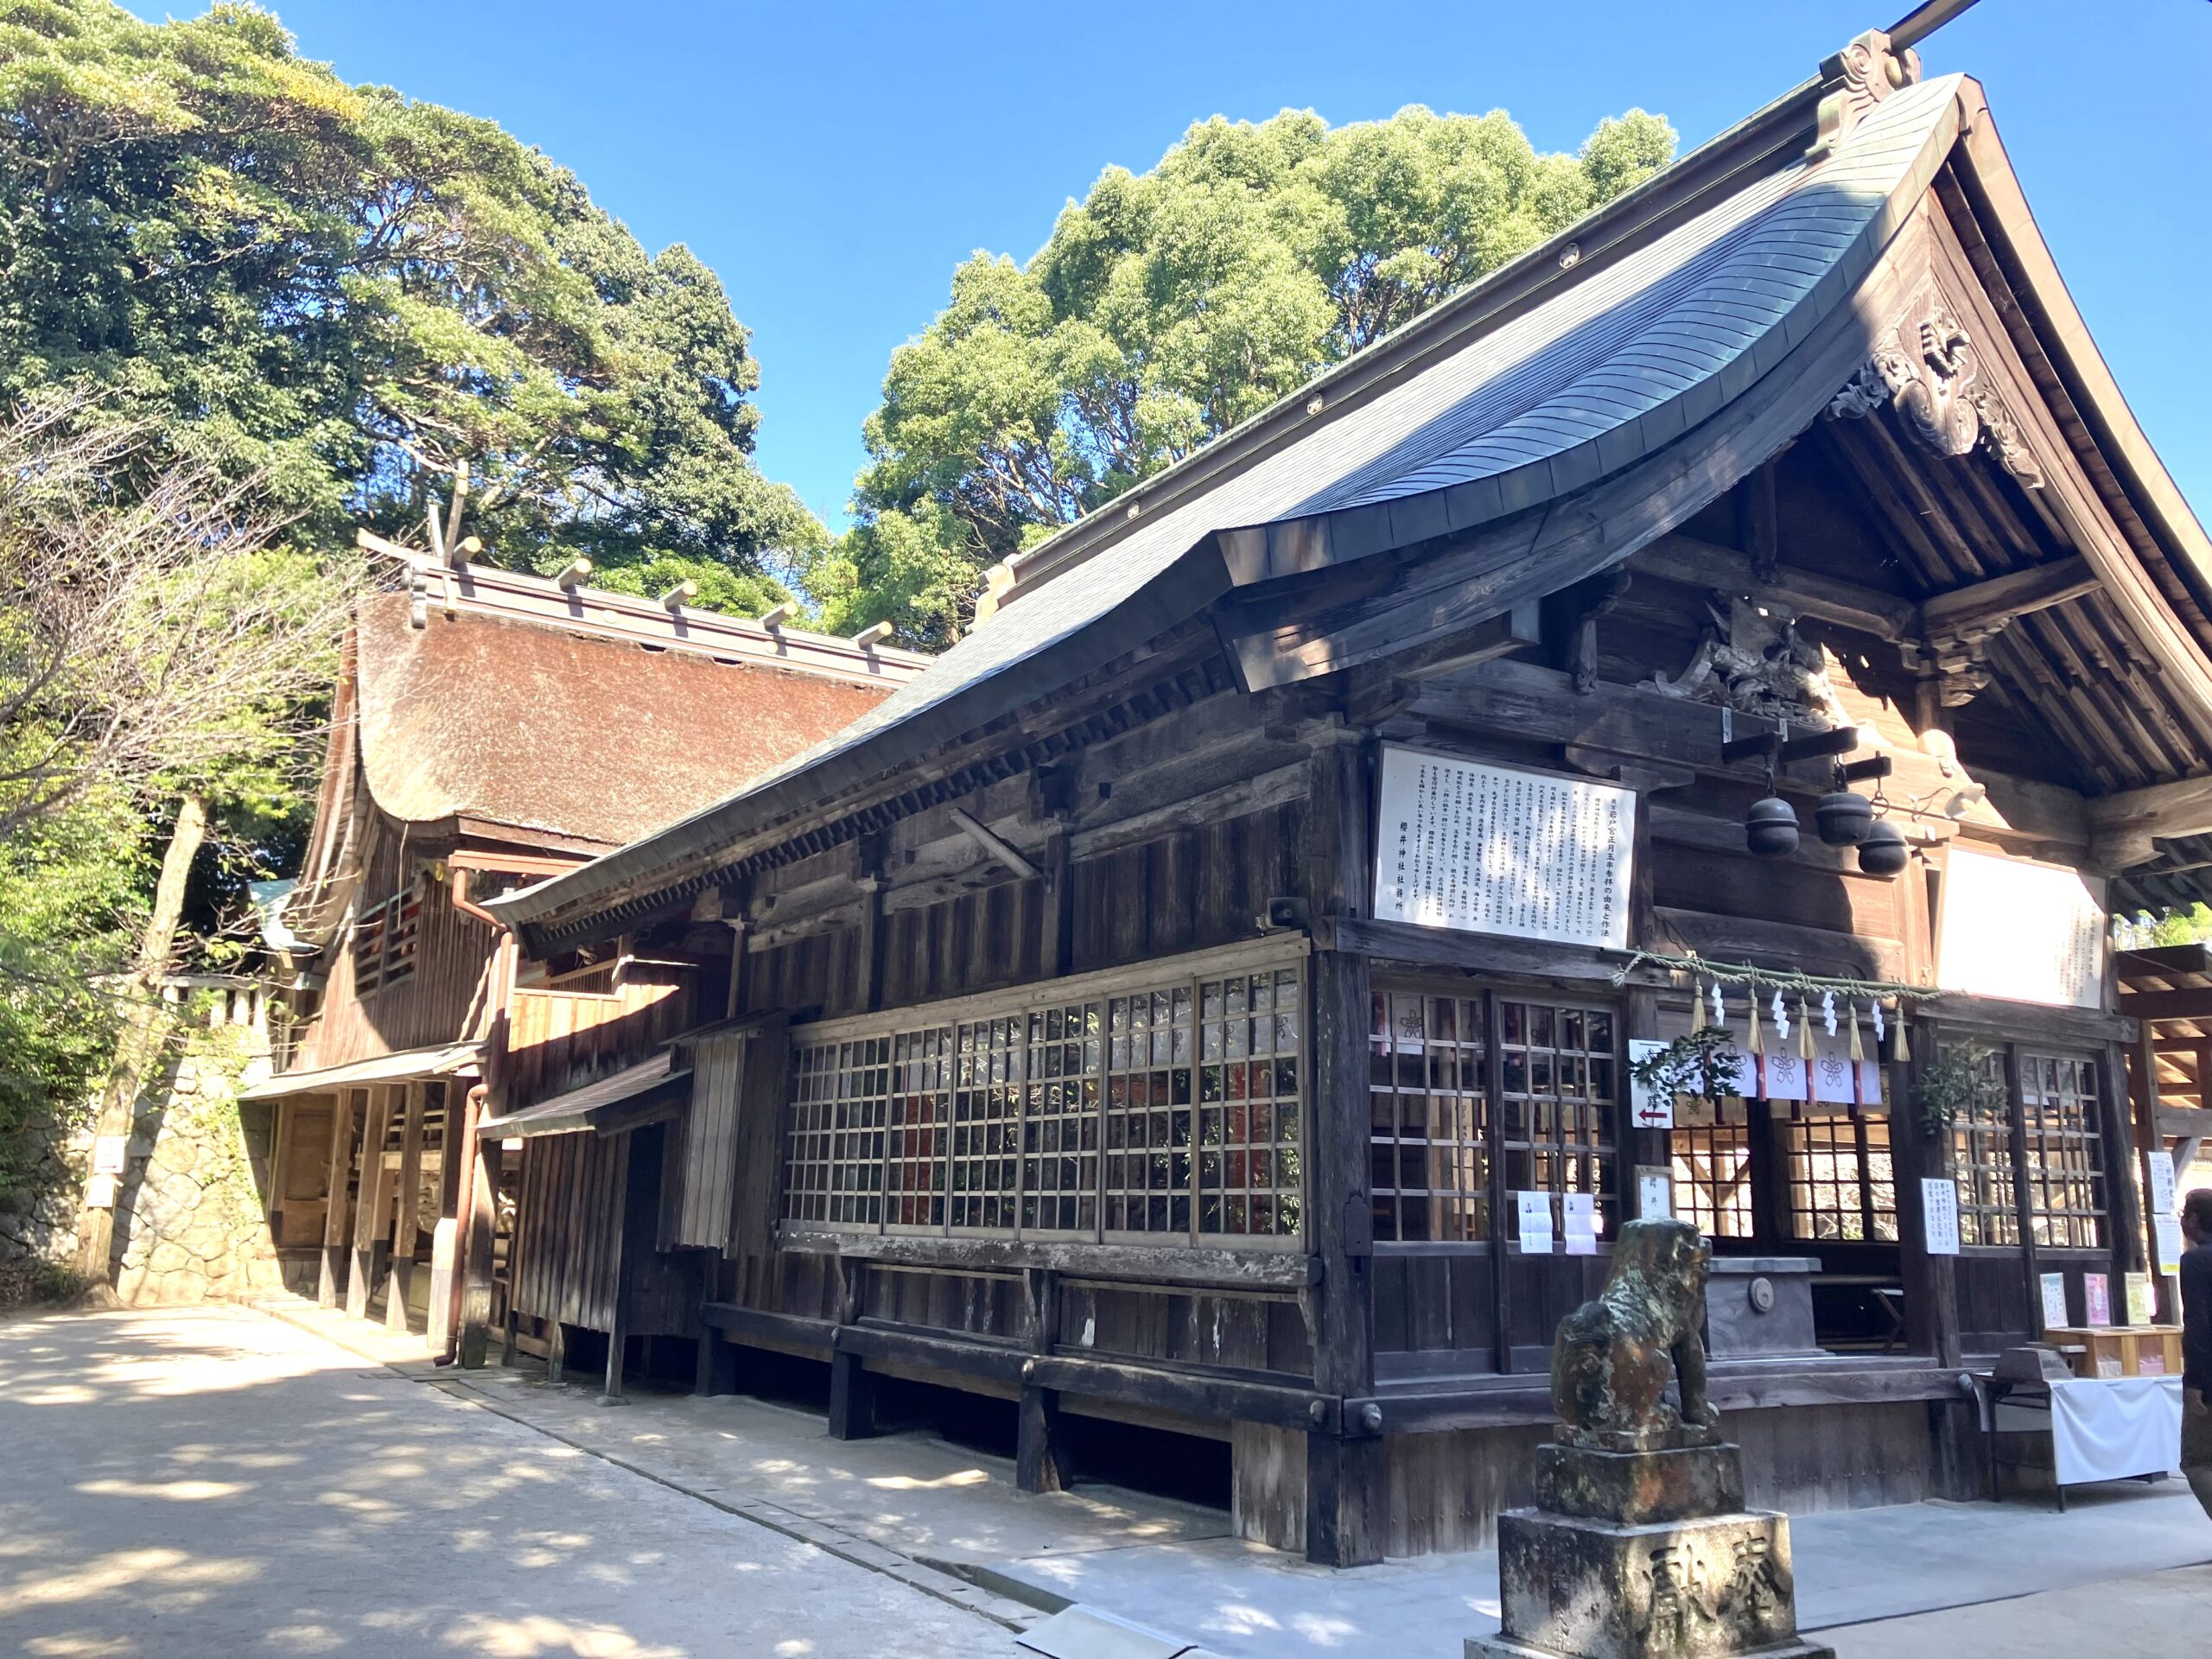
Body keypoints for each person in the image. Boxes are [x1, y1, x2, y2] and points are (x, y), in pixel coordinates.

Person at [2183, 1186, 2212, 1518]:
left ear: (2193, 1219)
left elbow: (2198, 1325)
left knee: (2197, 1461)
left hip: (2209, 1377)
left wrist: (2194, 1384)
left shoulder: (2195, 1262)